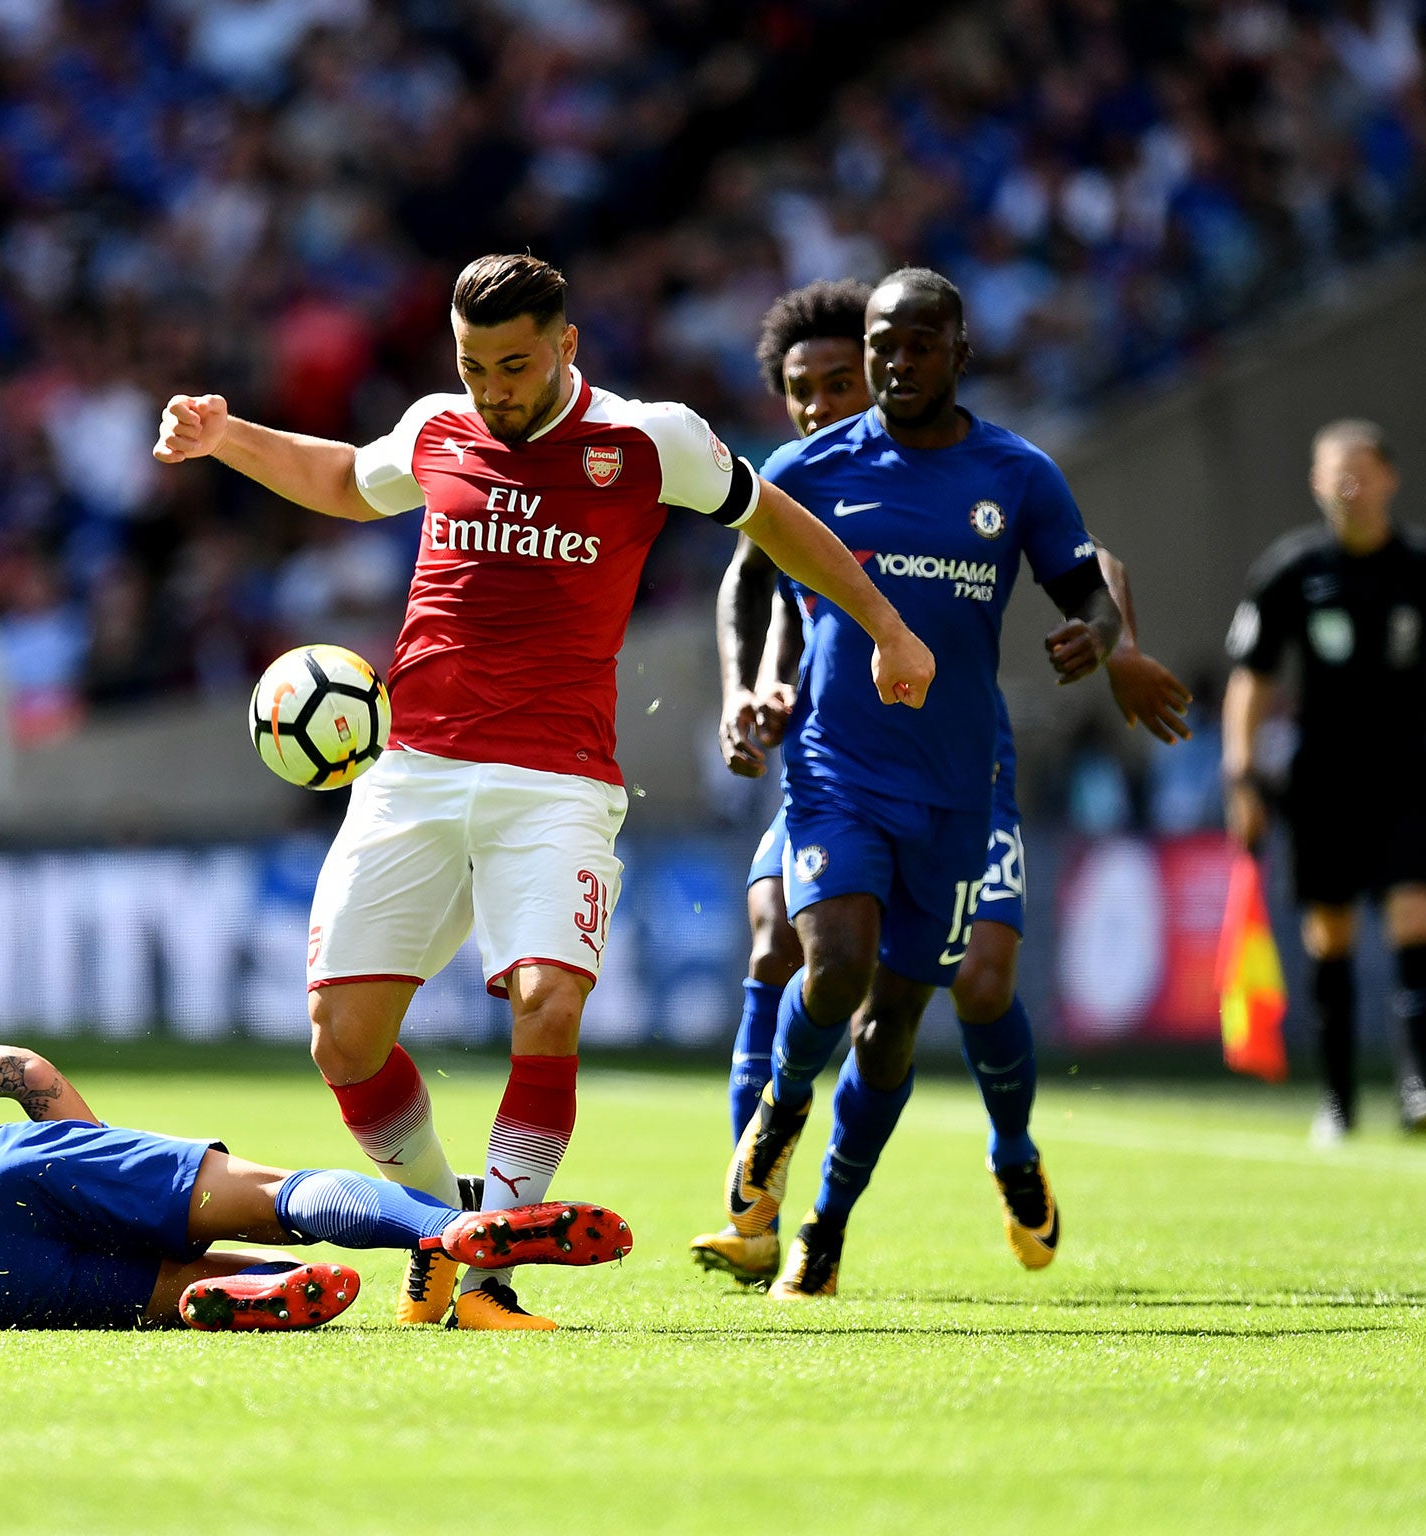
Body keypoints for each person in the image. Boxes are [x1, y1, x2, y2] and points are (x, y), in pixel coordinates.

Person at [153, 252, 935, 1329]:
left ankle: (488, 1277)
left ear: (565, 346)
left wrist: (887, 624)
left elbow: (775, 520)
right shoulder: (436, 426)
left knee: (547, 1003)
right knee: (341, 1040)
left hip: (554, 782)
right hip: (412, 770)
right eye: (472, 365)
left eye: (512, 364)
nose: (490, 388)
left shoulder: (646, 439)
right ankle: (440, 1226)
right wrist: (224, 437)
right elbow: (343, 482)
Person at [691, 281, 1192, 1284]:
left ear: (958, 353)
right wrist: (745, 686)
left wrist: (1101, 642)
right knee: (820, 960)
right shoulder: (810, 466)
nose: (895, 364)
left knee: (917, 1012)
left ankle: (836, 1226)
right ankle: (774, 1127)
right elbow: (748, 573)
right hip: (836, 768)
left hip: (962, 780)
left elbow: (1086, 583)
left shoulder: (1014, 473)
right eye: (883, 346)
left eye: (918, 347)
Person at [0, 999, 634, 1333]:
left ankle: (256, 1298)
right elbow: (14, 1070)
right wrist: (100, 1173)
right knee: (271, 1192)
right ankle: (443, 1228)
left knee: (163, 1291)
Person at [1224, 419, 1426, 1142]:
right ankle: (1339, 1102)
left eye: (1362, 469)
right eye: (1334, 470)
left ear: (1389, 478)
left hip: (1408, 776)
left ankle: (1416, 1086)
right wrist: (1241, 777)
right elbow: (1250, 679)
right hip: (1321, 784)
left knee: (1413, 914)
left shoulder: (1417, 567)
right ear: (1315, 482)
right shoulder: (1291, 571)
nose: (1349, 483)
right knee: (1328, 933)